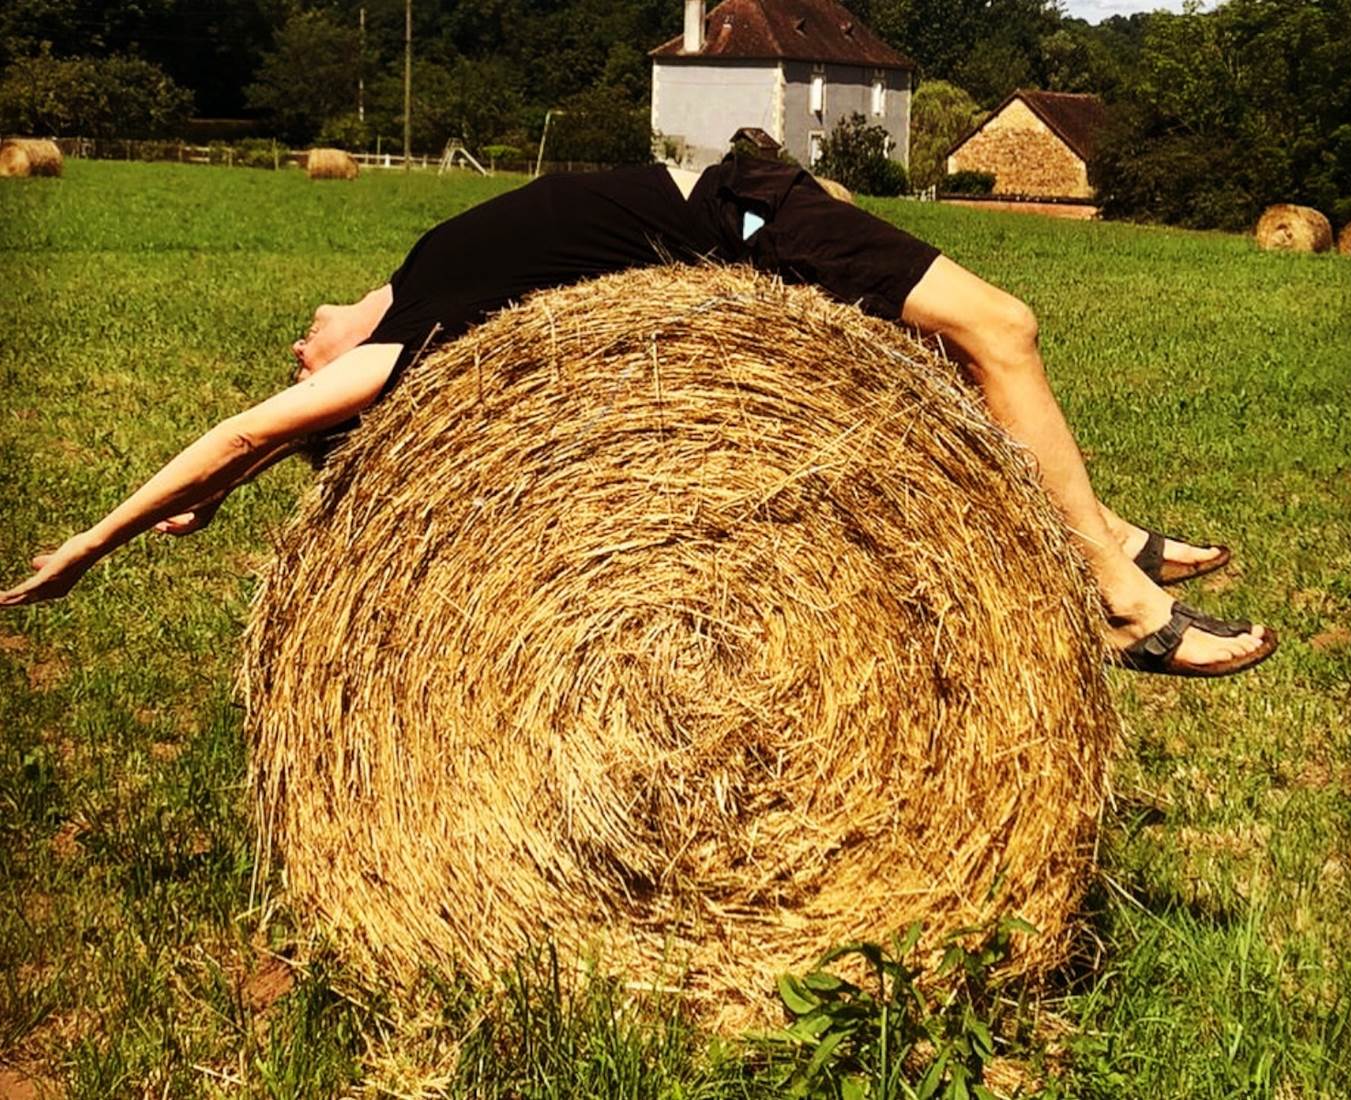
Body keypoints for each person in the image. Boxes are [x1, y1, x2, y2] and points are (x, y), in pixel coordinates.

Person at [0, 156, 1274, 676]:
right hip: (750, 221)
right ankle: (1122, 597)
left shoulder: (422, 271)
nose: (297, 344)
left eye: (299, 347)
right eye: (300, 368)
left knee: (947, 374)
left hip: (747, 203)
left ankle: (1101, 528)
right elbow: (241, 431)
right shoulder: (398, 349)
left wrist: (225, 485)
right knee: (1000, 329)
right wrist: (91, 545)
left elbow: (244, 454)